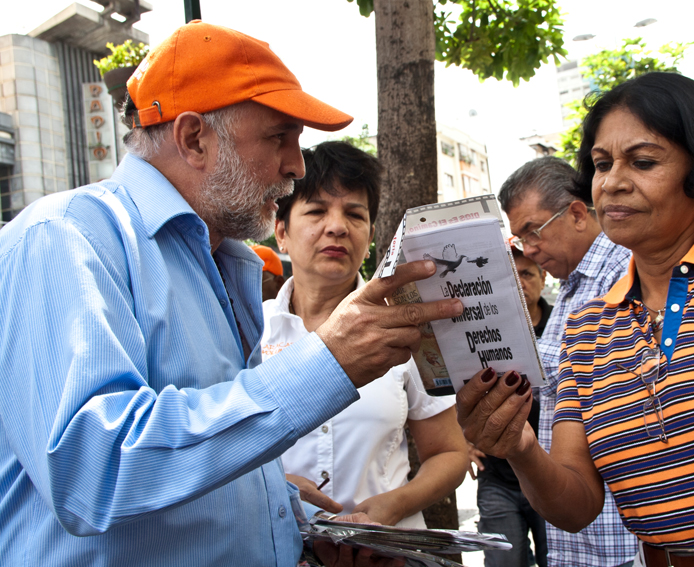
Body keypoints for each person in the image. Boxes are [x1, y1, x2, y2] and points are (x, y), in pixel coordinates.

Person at [0, 21, 463, 567]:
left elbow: (206, 454)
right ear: (195, 138)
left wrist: (291, 516)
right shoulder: (66, 238)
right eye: (279, 138)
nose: (295, 166)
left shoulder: (225, 261)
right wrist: (324, 365)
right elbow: (91, 471)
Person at [455, 72, 694, 567]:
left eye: (642, 162)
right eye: (601, 165)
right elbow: (576, 506)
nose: (613, 181)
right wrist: (519, 447)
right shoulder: (587, 328)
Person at [262, 141, 468, 527]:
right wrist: (274, 487)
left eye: (354, 215)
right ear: (282, 233)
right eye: (317, 211)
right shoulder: (246, 330)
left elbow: (449, 453)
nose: (337, 226)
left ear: (370, 234)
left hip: (385, 551)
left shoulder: (407, 329)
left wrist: (397, 504)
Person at [498, 156, 637, 567]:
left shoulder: (625, 271)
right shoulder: (573, 290)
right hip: (581, 534)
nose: (529, 249)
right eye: (520, 238)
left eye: (532, 231)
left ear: (577, 213)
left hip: (620, 534)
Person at [467, 246, 551, 567]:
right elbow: (457, 387)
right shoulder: (483, 332)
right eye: (510, 275)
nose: (519, 282)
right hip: (497, 477)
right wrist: (459, 440)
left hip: (552, 476)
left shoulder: (565, 326)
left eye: (527, 273)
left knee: (556, 560)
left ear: (543, 280)